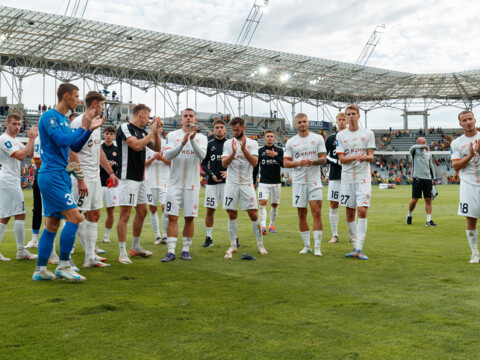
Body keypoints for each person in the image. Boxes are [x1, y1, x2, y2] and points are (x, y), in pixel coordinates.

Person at [32, 82, 104, 282]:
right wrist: (82, 125)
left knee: (52, 224)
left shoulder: (63, 120)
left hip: (61, 174)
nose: (78, 100)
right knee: (75, 218)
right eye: (75, 96)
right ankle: (64, 265)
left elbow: (74, 145)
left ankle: (40, 269)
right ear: (65, 96)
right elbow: (63, 141)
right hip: (53, 174)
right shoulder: (50, 117)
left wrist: (88, 130)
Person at [69, 91, 119, 268]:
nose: (103, 108)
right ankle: (65, 258)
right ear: (95, 104)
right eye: (102, 105)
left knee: (95, 214)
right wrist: (80, 179)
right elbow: (72, 151)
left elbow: (99, 152)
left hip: (95, 176)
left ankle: (90, 257)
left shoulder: (96, 124)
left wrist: (111, 172)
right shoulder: (78, 122)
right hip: (82, 177)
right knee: (75, 215)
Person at [116, 104, 162, 264]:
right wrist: (150, 133)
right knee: (125, 214)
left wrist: (156, 132)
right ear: (141, 114)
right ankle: (122, 252)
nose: (148, 120)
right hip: (126, 177)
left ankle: (135, 247)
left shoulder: (143, 132)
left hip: (140, 177)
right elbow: (135, 145)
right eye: (148, 116)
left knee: (142, 212)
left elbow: (156, 148)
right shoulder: (125, 127)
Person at [161, 108, 207, 262]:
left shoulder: (202, 137)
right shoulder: (173, 135)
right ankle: (171, 251)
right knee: (171, 217)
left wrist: (192, 140)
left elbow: (202, 156)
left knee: (189, 218)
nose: (188, 118)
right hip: (174, 184)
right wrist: (182, 143)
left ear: (195, 119)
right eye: (185, 116)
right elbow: (168, 155)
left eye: (191, 116)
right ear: (181, 119)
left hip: (192, 185)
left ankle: (186, 250)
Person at [222, 117, 267, 259]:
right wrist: (234, 153)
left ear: (244, 128)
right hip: (231, 183)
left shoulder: (253, 143)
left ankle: (260, 244)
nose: (235, 132)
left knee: (253, 214)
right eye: (233, 130)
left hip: (247, 183)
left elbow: (254, 162)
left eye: (237, 130)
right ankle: (233, 244)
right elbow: (224, 164)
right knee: (232, 214)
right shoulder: (228, 144)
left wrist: (243, 150)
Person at [336, 104, 375, 260]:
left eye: (353, 113)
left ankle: (359, 248)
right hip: (346, 178)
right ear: (345, 117)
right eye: (348, 114)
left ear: (359, 116)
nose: (351, 116)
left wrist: (365, 157)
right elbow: (342, 159)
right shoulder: (341, 136)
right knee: (349, 211)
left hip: (363, 178)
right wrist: (356, 157)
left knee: (362, 210)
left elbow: (371, 156)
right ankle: (354, 246)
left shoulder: (368, 134)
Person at [284, 113, 326, 256]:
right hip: (298, 182)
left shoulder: (317, 138)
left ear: (308, 123)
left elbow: (323, 159)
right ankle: (307, 245)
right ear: (296, 125)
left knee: (317, 212)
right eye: (299, 122)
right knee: (301, 214)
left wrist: (312, 162)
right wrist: (298, 163)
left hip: (314, 182)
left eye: (304, 121)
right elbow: (286, 162)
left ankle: (318, 247)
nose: (302, 124)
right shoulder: (291, 142)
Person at [0, 113, 38, 261]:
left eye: (19, 124)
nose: (17, 127)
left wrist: (35, 139)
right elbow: (21, 156)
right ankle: (21, 251)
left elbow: (30, 152)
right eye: (14, 124)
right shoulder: (4, 139)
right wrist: (31, 139)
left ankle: (21, 251)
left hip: (10, 180)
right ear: (7, 124)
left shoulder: (14, 140)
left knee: (4, 217)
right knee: (20, 213)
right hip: (9, 180)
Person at [451, 110, 480, 263]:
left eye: (470, 119)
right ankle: (475, 253)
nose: (468, 122)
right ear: (460, 124)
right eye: (464, 120)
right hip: (468, 183)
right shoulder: (456, 143)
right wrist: (470, 155)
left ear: (475, 120)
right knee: (471, 219)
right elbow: (455, 166)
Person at [201, 119, 228, 248]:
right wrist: (211, 174)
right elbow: (204, 164)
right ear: (213, 129)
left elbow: (236, 163)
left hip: (228, 183)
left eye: (221, 127)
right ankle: (209, 237)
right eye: (216, 127)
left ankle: (234, 238)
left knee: (231, 211)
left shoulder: (230, 144)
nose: (219, 129)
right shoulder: (209, 144)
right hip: (212, 183)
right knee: (210, 210)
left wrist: (229, 173)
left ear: (225, 129)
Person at [253, 129, 284, 235]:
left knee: (274, 205)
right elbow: (256, 167)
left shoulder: (279, 150)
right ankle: (263, 226)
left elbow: (283, 164)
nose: (270, 138)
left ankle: (271, 225)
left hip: (276, 182)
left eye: (271, 136)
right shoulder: (260, 151)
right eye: (268, 136)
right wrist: (254, 181)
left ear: (274, 138)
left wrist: (274, 156)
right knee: (262, 203)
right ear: (264, 138)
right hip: (263, 183)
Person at [325, 112, 347, 243]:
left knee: (350, 205)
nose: (342, 122)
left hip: (349, 176)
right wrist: (337, 161)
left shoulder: (352, 138)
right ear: (336, 122)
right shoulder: (330, 139)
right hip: (335, 176)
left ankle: (352, 234)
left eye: (344, 119)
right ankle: (335, 235)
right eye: (339, 120)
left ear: (347, 121)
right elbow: (325, 156)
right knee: (334, 204)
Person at [406, 137, 437, 226]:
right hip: (417, 179)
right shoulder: (414, 151)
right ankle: (409, 214)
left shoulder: (428, 153)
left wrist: (434, 178)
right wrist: (423, 146)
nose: (425, 144)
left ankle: (428, 220)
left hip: (427, 179)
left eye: (425, 142)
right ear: (419, 143)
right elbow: (412, 147)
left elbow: (431, 166)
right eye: (423, 143)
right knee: (415, 200)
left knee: (428, 199)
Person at [145, 141, 171, 245]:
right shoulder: (146, 145)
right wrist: (152, 159)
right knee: (153, 209)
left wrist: (162, 159)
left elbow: (172, 162)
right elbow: (143, 163)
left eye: (159, 126)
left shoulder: (167, 144)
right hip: (150, 181)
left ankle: (165, 235)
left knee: (165, 208)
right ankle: (157, 236)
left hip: (164, 181)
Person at [100, 126, 119, 243]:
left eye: (111, 134)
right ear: (103, 135)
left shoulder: (117, 150)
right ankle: (91, 235)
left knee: (110, 211)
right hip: (98, 183)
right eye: (106, 133)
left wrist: (113, 166)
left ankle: (106, 236)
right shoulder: (98, 148)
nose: (108, 136)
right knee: (93, 211)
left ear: (114, 136)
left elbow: (120, 167)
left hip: (111, 185)